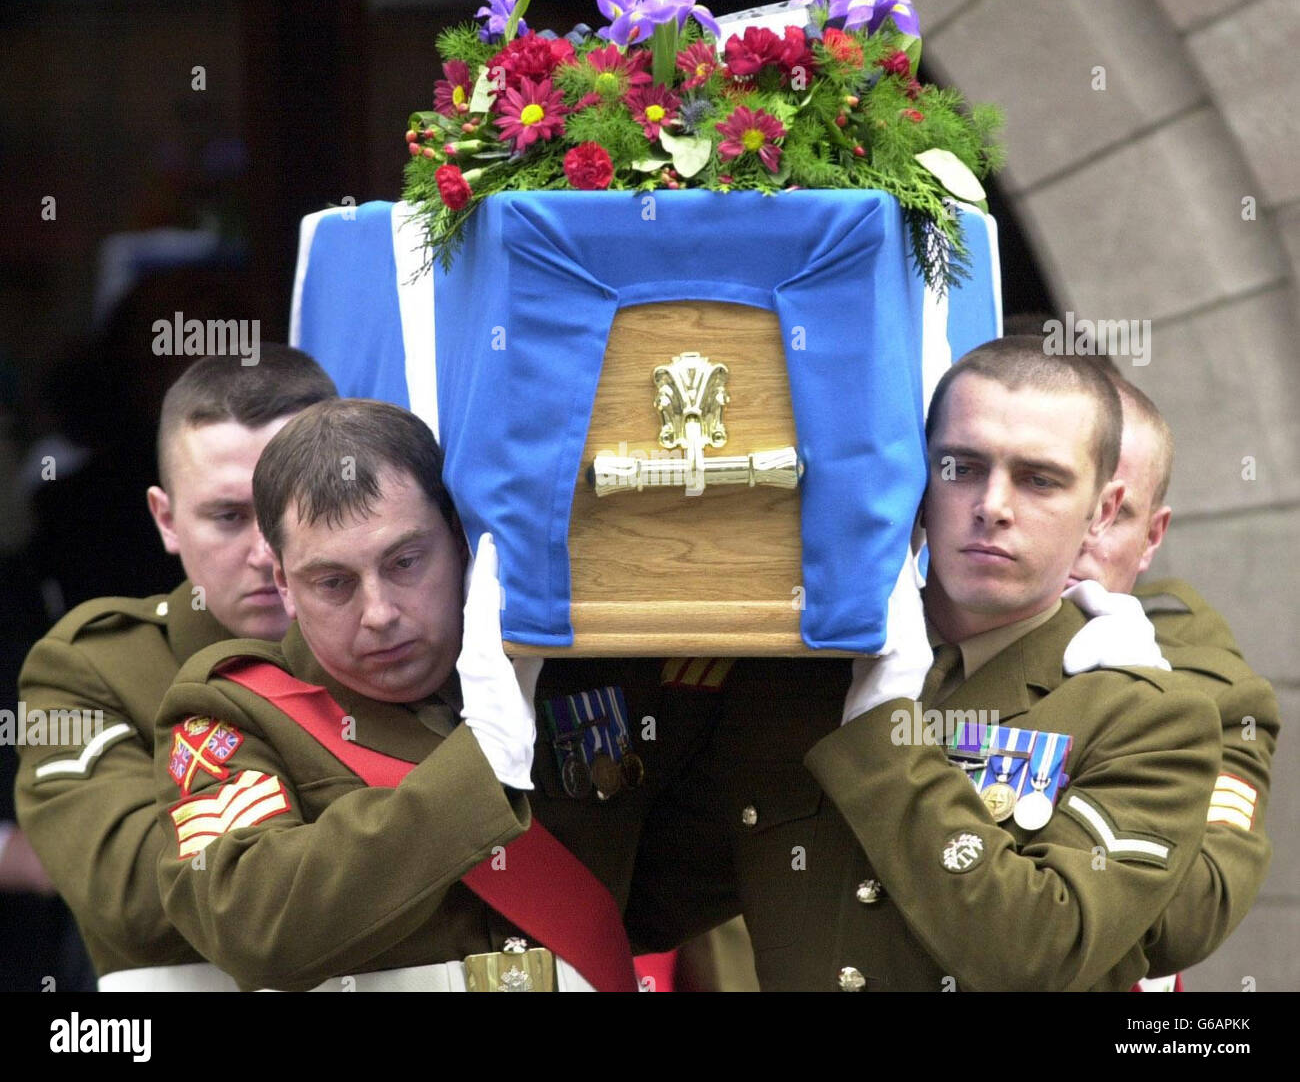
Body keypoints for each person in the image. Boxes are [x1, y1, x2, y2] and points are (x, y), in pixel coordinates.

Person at [152, 398, 733, 991]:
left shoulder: (569, 666)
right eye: (334, 583)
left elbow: (681, 878)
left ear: (458, 538)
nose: (378, 613)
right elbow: (250, 922)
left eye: (404, 562)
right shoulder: (235, 708)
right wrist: (482, 756)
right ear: (283, 582)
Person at [703, 337, 1222, 991]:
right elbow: (654, 894)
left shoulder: (1154, 721)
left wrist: (885, 727)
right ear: (918, 482)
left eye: (1039, 478)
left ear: (1102, 510)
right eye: (961, 467)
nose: (993, 505)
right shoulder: (799, 678)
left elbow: (1036, 951)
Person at [15, 346, 337, 990]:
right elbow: (137, 899)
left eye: (293, 505)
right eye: (228, 516)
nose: (266, 551)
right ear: (166, 519)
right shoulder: (89, 667)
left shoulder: (417, 644)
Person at [1066, 376, 1277, 980]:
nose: (1077, 534)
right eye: (1050, 486)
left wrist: (1150, 717)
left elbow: (1192, 913)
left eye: (1112, 511)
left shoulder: (1210, 694)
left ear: (1152, 536)